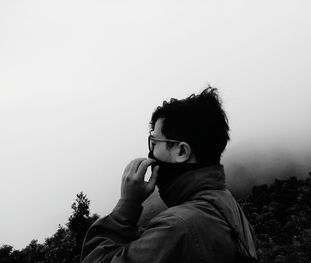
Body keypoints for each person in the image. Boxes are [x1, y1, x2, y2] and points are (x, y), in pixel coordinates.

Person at [80, 87, 257, 262]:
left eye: (155, 142)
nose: (151, 153)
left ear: (181, 151)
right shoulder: (228, 204)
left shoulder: (177, 227)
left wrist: (127, 206)